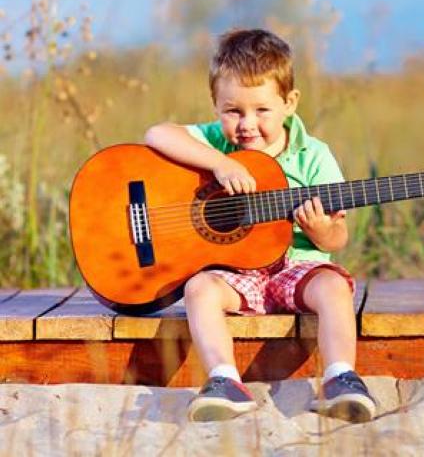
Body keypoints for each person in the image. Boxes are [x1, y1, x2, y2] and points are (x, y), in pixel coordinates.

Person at [144, 28, 376, 423]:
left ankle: (340, 376)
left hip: (296, 268)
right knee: (199, 287)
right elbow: (156, 134)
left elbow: (339, 235)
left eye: (261, 110)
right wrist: (219, 163)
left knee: (334, 285)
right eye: (233, 111)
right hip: (236, 274)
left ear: (290, 103)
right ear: (215, 105)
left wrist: (321, 230)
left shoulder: (313, 156)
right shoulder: (218, 143)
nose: (246, 124)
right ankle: (223, 378)